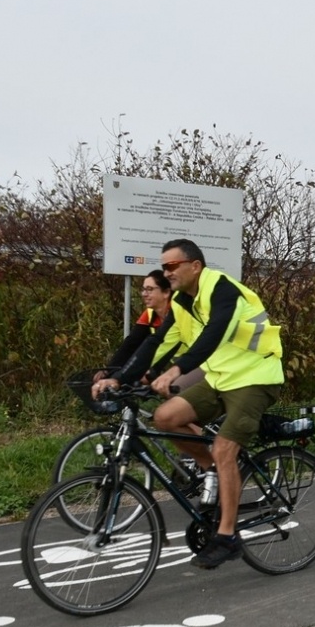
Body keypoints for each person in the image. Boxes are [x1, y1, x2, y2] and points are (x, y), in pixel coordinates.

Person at [95, 239, 284, 569]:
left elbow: (213, 336)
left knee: (226, 448)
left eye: (171, 266)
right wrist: (119, 378)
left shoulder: (222, 290)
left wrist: (177, 370)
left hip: (255, 376)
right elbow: (156, 343)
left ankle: (227, 537)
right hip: (221, 377)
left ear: (194, 266)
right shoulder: (183, 301)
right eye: (163, 266)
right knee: (165, 417)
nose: (166, 273)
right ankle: (216, 472)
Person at [92, 271, 203, 392]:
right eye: (143, 289)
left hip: (199, 359)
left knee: (173, 393)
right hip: (175, 361)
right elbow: (131, 343)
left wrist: (150, 371)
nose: (144, 294)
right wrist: (109, 370)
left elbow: (165, 346)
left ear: (166, 292)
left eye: (150, 289)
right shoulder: (150, 314)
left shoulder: (179, 311)